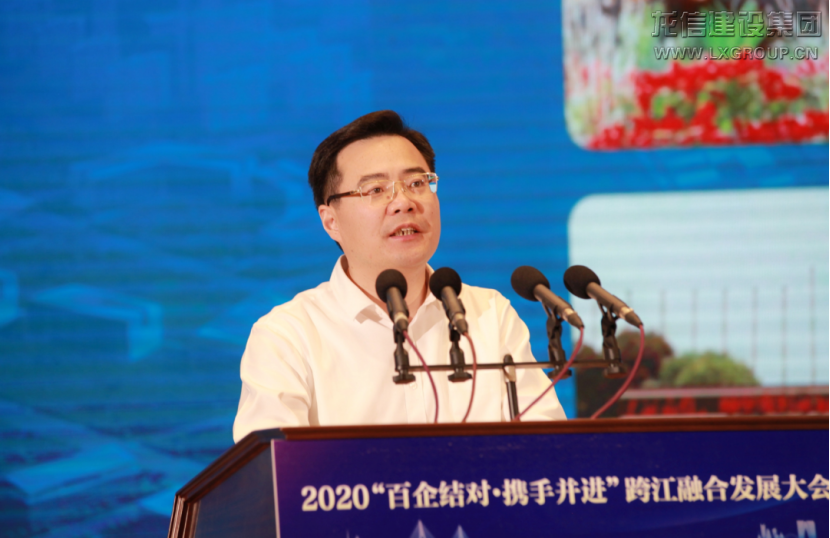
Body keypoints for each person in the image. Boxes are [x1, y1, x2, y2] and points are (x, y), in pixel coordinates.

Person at [232, 110, 565, 442]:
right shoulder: (288, 337)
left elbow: (550, 447)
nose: (403, 203)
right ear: (330, 221)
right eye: (376, 189)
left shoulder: (489, 314)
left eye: (417, 183)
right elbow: (270, 468)